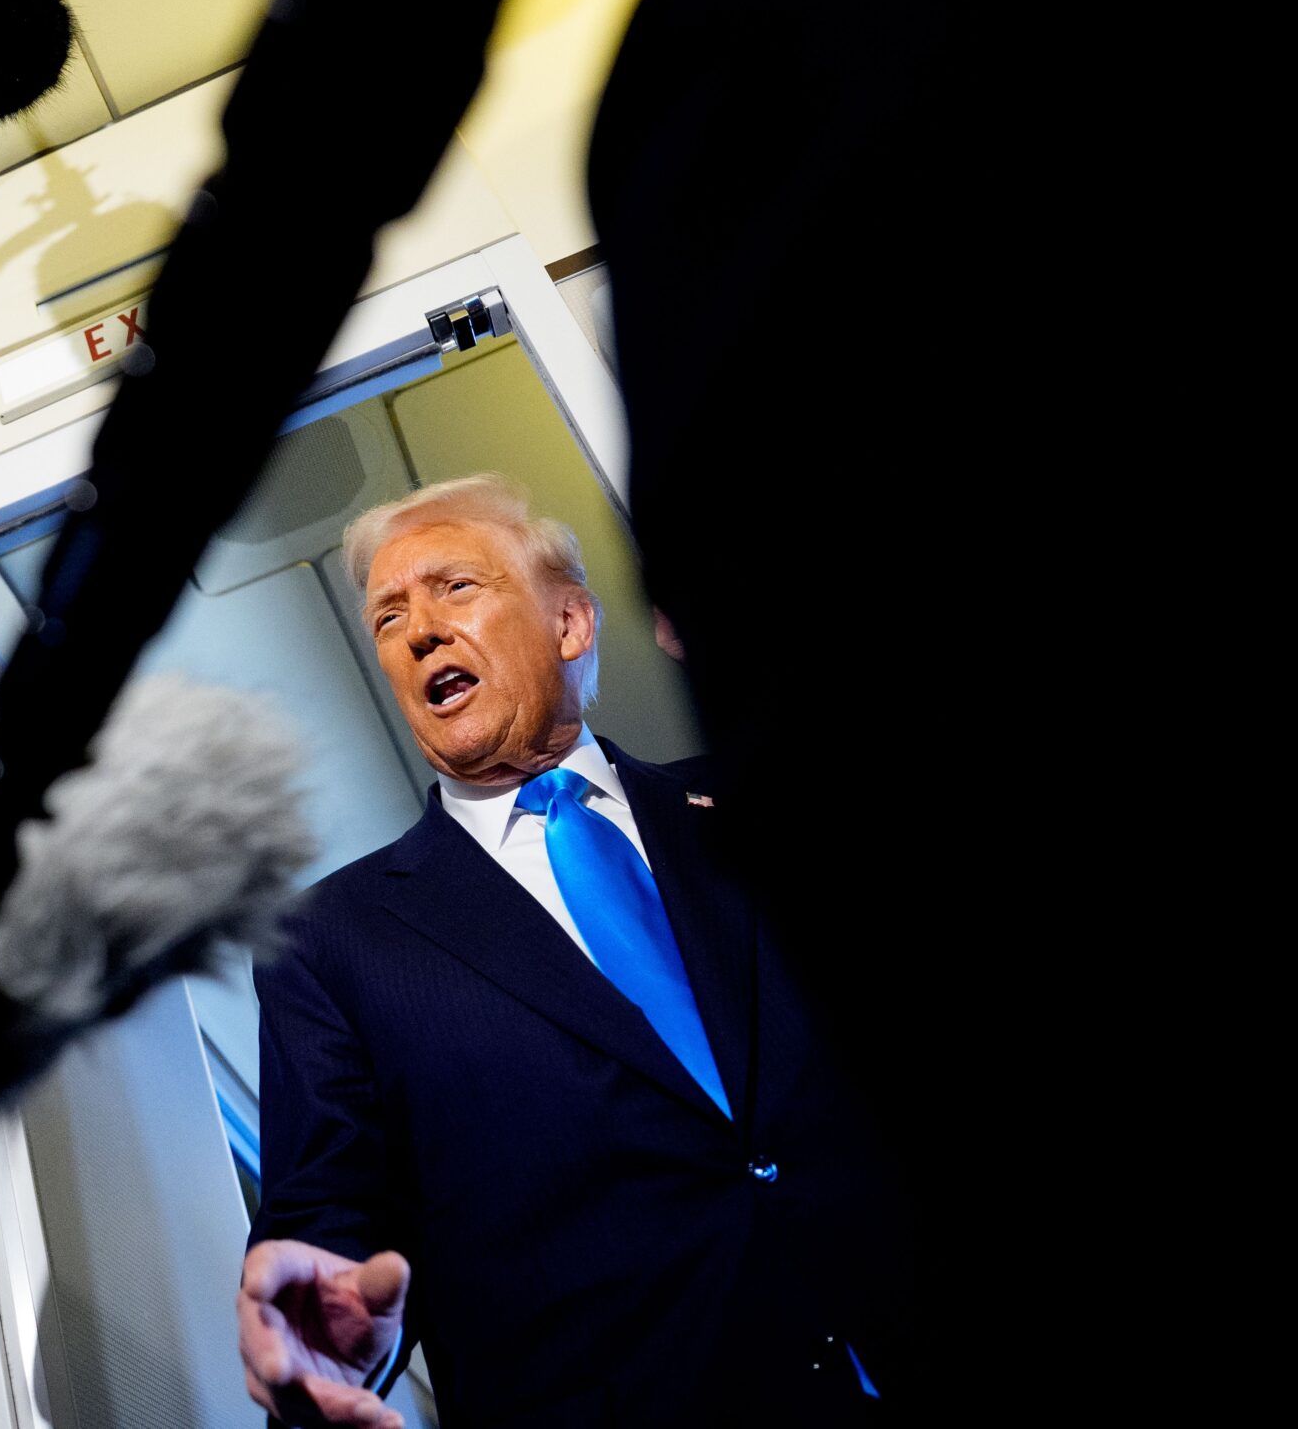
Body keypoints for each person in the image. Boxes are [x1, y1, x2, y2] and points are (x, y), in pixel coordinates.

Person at [237, 476, 911, 1427]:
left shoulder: (758, 813)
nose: (419, 629)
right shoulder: (331, 942)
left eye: (455, 586)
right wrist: (314, 1333)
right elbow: (330, 1216)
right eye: (388, 616)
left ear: (569, 623)